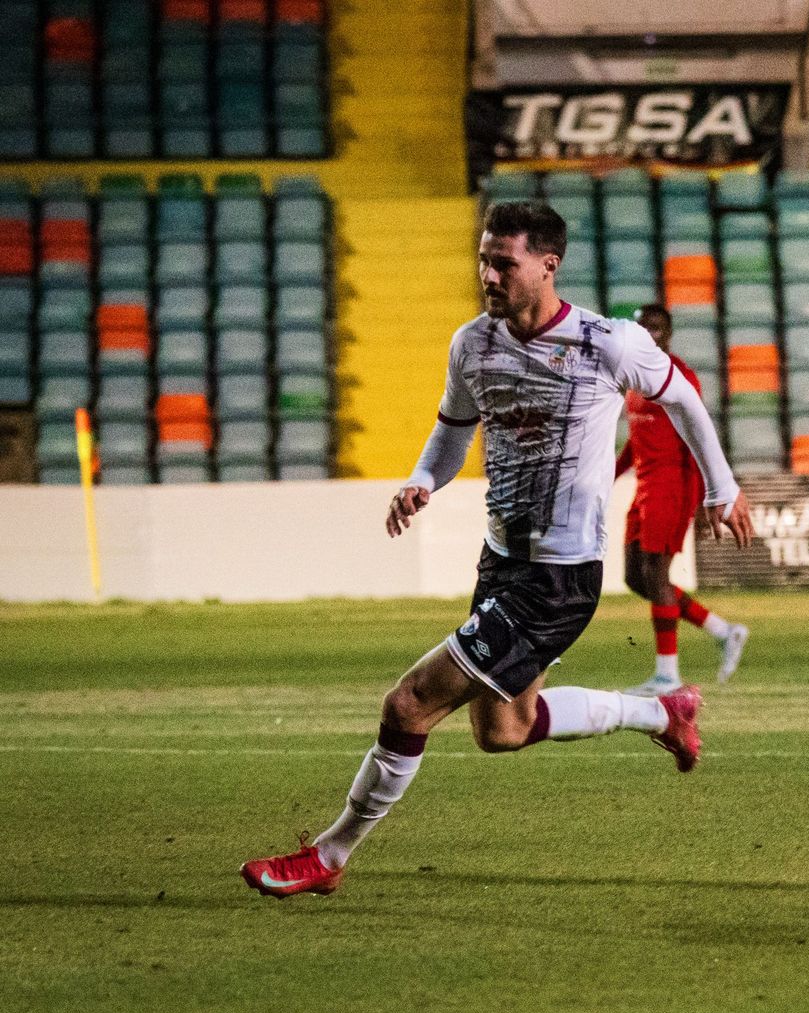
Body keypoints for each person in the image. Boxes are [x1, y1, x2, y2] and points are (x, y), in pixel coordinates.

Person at [242, 201, 754, 898]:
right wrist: (423, 480)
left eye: (503, 263)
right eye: (483, 260)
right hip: (501, 562)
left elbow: (685, 400)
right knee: (505, 728)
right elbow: (453, 431)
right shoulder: (472, 344)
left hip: (557, 579)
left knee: (409, 704)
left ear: (547, 265)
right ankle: (662, 711)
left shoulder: (607, 343)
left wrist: (722, 488)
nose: (488, 275)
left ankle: (328, 856)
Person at [614, 304, 749, 696]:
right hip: (645, 489)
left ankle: (667, 676)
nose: (650, 334)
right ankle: (723, 630)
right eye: (643, 327)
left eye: (657, 328)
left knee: (656, 575)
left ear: (669, 333)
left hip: (673, 487)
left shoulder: (680, 376)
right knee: (635, 578)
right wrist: (607, 476)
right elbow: (638, 439)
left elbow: (697, 437)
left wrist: (707, 495)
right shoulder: (634, 379)